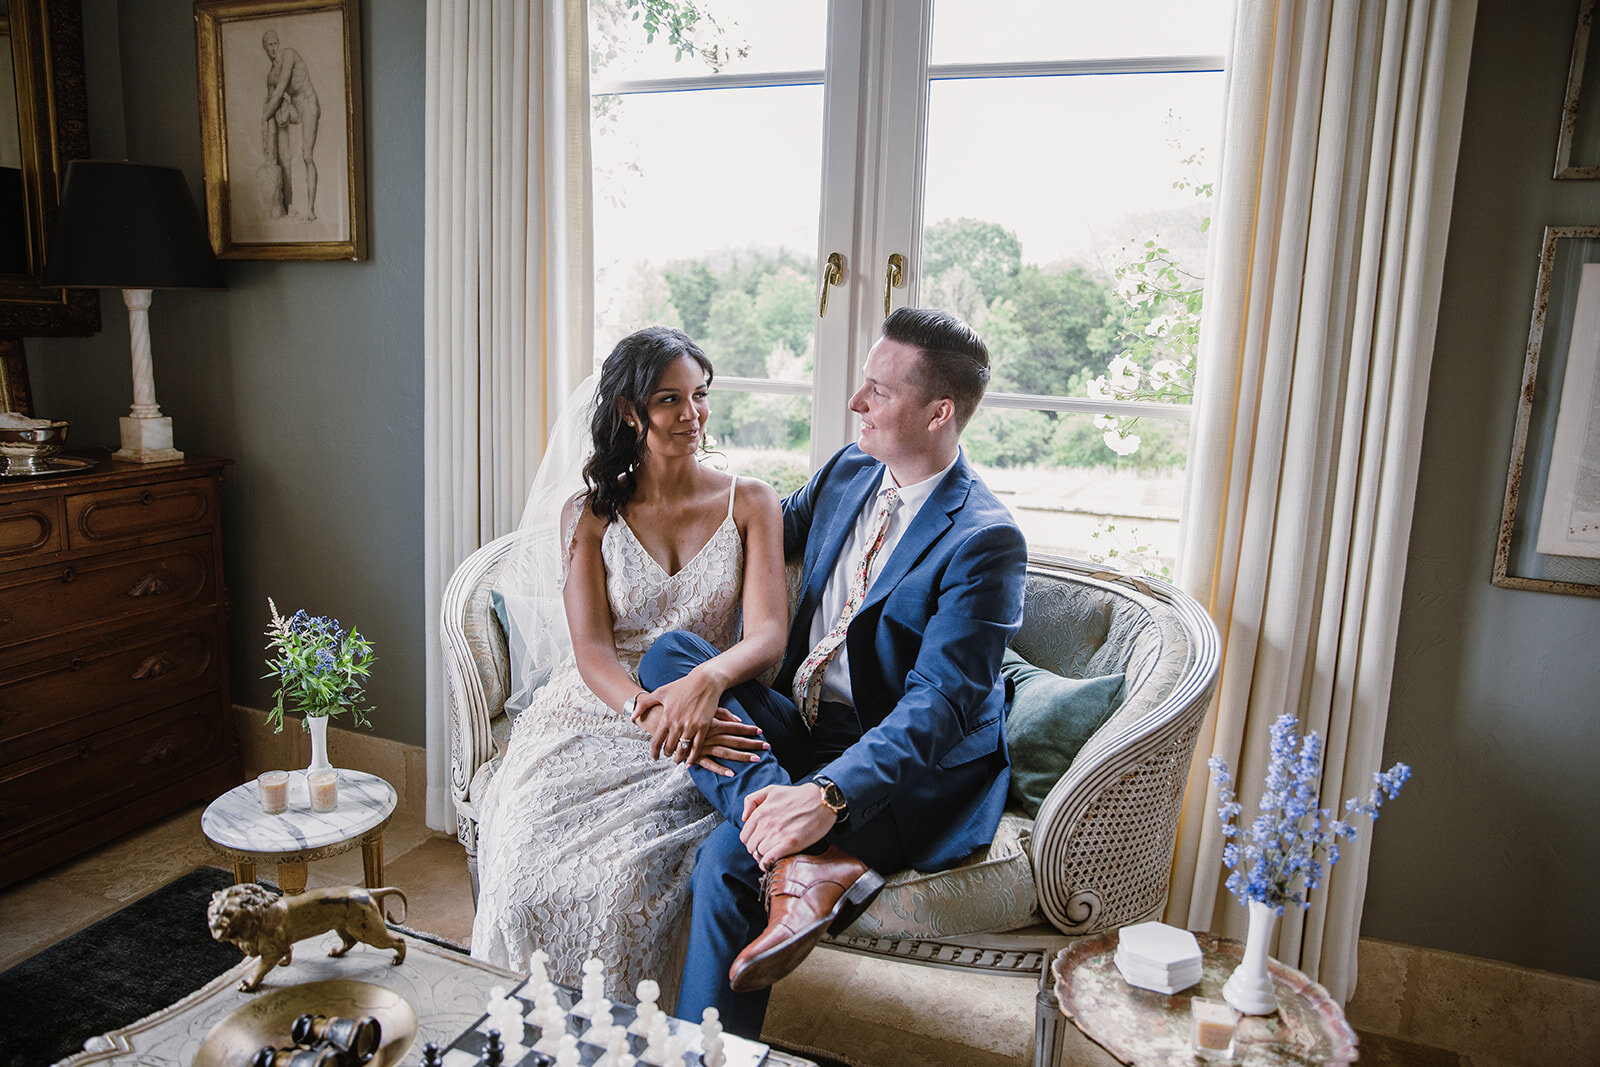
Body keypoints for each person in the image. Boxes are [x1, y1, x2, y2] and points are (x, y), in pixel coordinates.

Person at [638, 307, 1029, 1037]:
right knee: (670, 660)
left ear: (939, 411)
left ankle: (704, 1058)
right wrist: (641, 493)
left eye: (878, 390)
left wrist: (828, 796)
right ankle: (796, 853)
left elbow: (938, 707)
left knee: (728, 857)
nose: (856, 402)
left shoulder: (987, 540)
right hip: (807, 720)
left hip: (907, 760)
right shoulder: (851, 469)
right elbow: (747, 533)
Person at [470, 327, 788, 1008]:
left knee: (627, 883)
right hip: (602, 704)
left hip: (706, 699)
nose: (692, 414)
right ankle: (538, 1029)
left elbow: (766, 637)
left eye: (699, 395)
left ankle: (638, 1038)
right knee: (525, 865)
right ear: (628, 411)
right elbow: (590, 649)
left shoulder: (751, 502)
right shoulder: (589, 513)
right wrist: (642, 709)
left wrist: (704, 684)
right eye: (670, 399)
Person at [260, 28, 321, 221]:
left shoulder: (288, 55)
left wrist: (263, 117)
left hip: (308, 104)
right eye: (268, 45)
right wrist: (269, 119)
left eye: (274, 43)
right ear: (265, 49)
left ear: (279, 43)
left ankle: (310, 210)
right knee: (277, 115)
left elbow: (278, 93)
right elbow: (271, 100)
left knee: (307, 156)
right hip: (295, 106)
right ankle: (287, 204)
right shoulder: (271, 74)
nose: (273, 48)